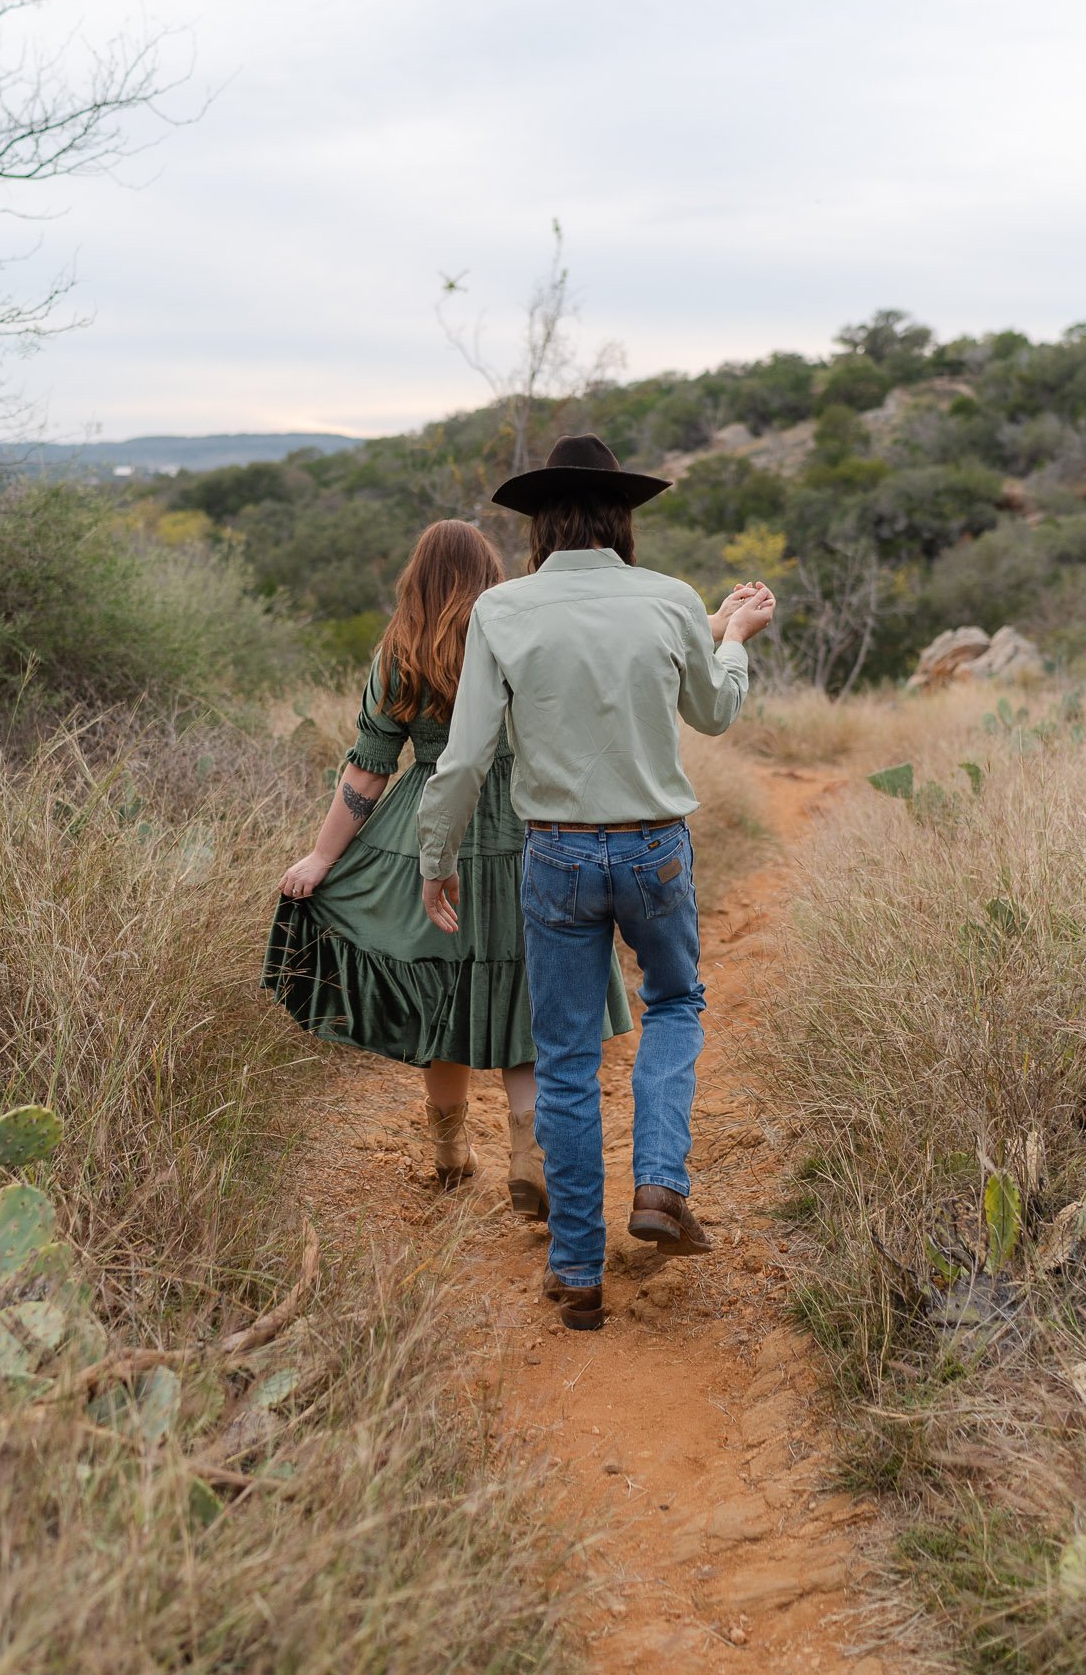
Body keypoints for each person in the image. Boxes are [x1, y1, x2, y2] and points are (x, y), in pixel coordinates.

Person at [416, 435, 776, 1330]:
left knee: (567, 1058)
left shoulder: (502, 609)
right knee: (675, 1004)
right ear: (621, 518)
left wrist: (435, 857)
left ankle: (576, 1268)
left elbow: (465, 758)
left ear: (539, 525)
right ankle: (657, 1185)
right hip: (655, 849)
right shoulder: (669, 599)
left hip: (556, 856)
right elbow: (715, 711)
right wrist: (733, 640)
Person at [263, 517, 632, 1203]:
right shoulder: (522, 629)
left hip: (428, 832)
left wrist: (321, 857)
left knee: (441, 995)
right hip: (528, 823)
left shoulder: (400, 649)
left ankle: (450, 1152)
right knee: (528, 993)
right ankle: (529, 1159)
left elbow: (369, 768)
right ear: (491, 574)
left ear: (417, 578)